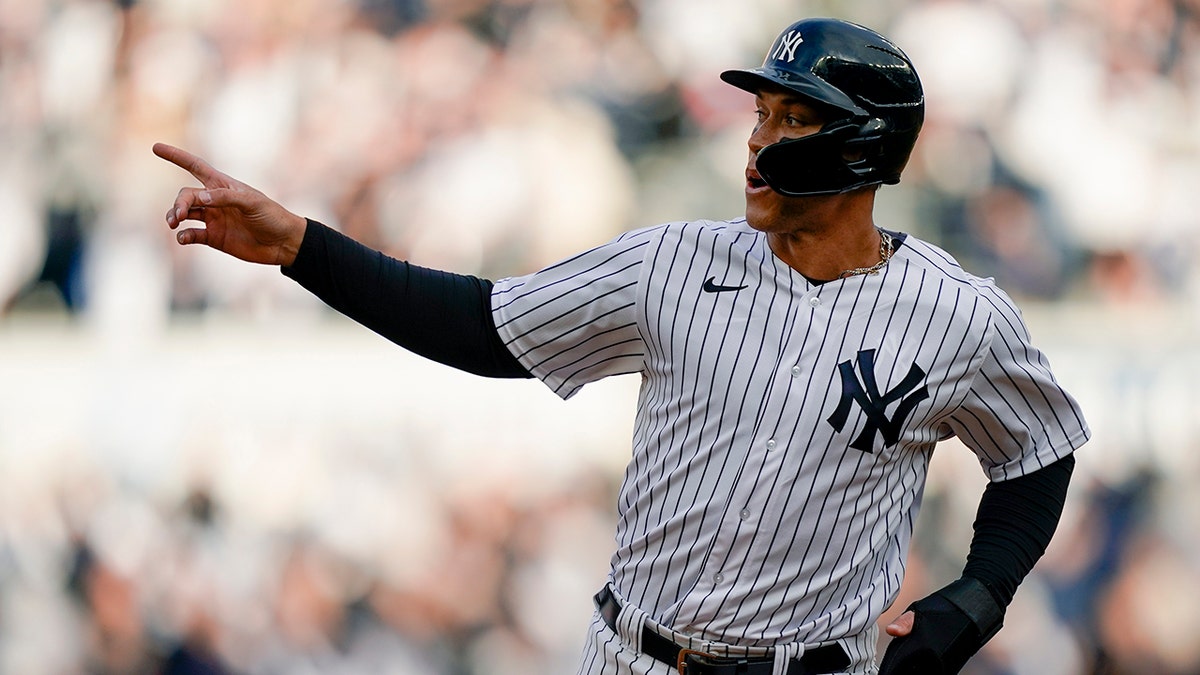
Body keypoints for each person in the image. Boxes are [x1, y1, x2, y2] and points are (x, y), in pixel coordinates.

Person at [155, 17, 1089, 675]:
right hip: (632, 656)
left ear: (862, 148)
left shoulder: (959, 316)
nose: (758, 143)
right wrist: (297, 247)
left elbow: (1038, 451)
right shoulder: (671, 263)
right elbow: (484, 325)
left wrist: (983, 591)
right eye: (760, 115)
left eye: (792, 119)